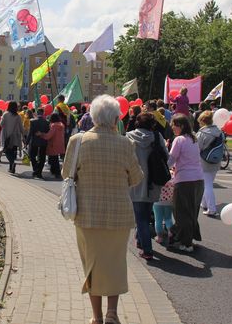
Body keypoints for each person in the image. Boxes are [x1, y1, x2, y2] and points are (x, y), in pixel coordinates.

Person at [62, 94, 144, 324]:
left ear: (94, 117)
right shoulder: (126, 143)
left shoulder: (78, 141)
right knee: (116, 263)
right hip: (119, 216)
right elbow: (136, 178)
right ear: (117, 118)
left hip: (87, 215)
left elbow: (66, 174)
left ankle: (97, 317)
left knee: (93, 265)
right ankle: (112, 314)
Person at [126, 112, 167, 260]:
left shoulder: (129, 136)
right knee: (146, 214)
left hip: (135, 181)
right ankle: (141, 240)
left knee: (140, 218)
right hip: (153, 181)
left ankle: (147, 249)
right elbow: (166, 156)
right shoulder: (157, 137)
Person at [167, 114, 204, 252]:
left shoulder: (179, 140)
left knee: (181, 212)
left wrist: (162, 169)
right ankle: (189, 237)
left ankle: (186, 243)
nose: (172, 127)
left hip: (184, 180)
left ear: (181, 126)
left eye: (174, 125)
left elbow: (171, 159)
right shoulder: (194, 138)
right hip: (198, 179)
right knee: (192, 211)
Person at [196, 111, 223, 216]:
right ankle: (204, 203)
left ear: (202, 121)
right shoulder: (219, 132)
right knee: (208, 183)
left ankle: (211, 209)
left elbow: (197, 148)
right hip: (216, 161)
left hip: (204, 161)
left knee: (207, 185)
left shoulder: (202, 133)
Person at [38, 113, 66, 178]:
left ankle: (56, 173)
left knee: (54, 159)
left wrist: (41, 134)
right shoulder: (61, 125)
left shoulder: (53, 125)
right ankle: (55, 172)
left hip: (53, 144)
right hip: (60, 143)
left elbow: (49, 136)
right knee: (54, 158)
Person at [0, 101, 24, 174]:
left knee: (7, 151)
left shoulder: (5, 114)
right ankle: (11, 167)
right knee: (14, 151)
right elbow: (21, 127)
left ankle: (12, 163)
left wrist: (2, 117)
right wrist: (24, 135)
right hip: (16, 136)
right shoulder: (18, 116)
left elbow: (1, 124)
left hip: (7, 136)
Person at [27, 108, 50, 179]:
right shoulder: (47, 122)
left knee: (32, 156)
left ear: (37, 113)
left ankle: (35, 169)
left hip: (34, 142)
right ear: (43, 113)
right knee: (42, 158)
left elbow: (30, 132)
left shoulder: (32, 121)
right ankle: (39, 172)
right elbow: (47, 132)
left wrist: (26, 142)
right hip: (43, 142)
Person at [154, 179, 175, 245]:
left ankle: (159, 237)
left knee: (158, 220)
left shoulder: (156, 177)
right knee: (168, 219)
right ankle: (171, 234)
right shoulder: (171, 176)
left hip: (157, 201)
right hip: (169, 201)